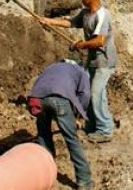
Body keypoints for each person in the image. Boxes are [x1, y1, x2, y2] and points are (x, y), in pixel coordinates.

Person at [40, 0, 117, 142]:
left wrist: (81, 44)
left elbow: (100, 41)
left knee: (96, 94)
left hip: (104, 62)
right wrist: (49, 21)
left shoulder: (102, 15)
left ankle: (105, 130)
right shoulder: (86, 13)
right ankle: (92, 125)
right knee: (88, 92)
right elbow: (71, 23)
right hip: (92, 60)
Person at [28, 60, 94, 190]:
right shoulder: (80, 71)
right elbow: (85, 95)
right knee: (71, 139)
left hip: (37, 98)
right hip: (59, 99)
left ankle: (47, 172)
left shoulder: (51, 67)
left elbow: (39, 84)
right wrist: (78, 115)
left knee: (43, 135)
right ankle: (84, 181)